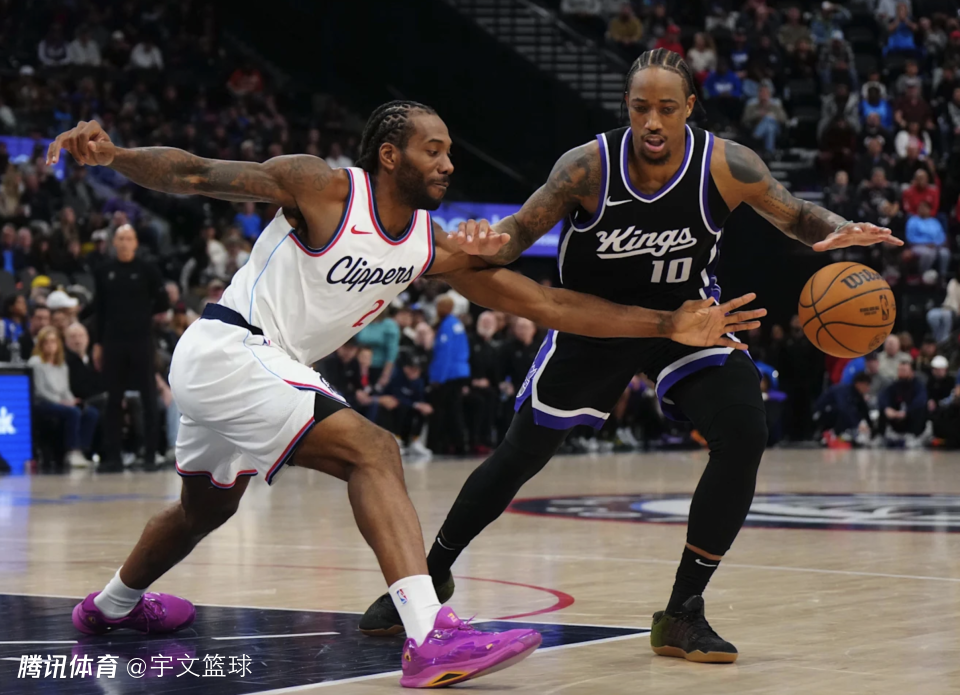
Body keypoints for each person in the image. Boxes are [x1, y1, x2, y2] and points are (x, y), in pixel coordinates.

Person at [47, 105, 761, 688]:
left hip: (253, 367)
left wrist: (666, 324)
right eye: (434, 150)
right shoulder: (323, 188)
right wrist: (115, 155)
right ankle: (429, 634)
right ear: (390, 155)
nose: (448, 163)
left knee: (205, 508)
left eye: (450, 152)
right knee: (374, 449)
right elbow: (198, 173)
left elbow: (545, 303)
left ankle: (110, 607)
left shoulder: (427, 244)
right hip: (230, 348)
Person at [357, 49, 901, 663]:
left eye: (667, 108)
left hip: (688, 320)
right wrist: (490, 239)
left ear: (689, 107)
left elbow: (797, 215)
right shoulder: (587, 167)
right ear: (627, 107)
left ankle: (682, 611)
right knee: (521, 453)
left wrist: (837, 227)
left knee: (745, 428)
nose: (652, 121)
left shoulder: (727, 165)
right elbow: (520, 232)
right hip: (595, 321)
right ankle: (433, 572)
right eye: (641, 107)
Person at [94, 225, 169, 471]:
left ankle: (150, 455)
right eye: (121, 238)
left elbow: (163, 301)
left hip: (141, 340)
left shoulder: (147, 269)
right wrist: (97, 343)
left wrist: (142, 314)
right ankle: (113, 456)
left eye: (129, 238)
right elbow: (99, 308)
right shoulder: (104, 271)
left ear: (136, 243)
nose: (125, 242)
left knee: (149, 396)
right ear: (114, 242)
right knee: (113, 398)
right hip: (113, 341)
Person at [29, 326, 99, 467]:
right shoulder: (36, 363)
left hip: (61, 402)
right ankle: (71, 451)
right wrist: (61, 402)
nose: (50, 345)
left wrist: (72, 401)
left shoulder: (62, 364)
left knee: (90, 412)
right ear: (40, 345)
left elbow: (65, 389)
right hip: (43, 403)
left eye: (53, 342)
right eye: (46, 342)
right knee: (72, 412)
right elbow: (39, 391)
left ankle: (81, 451)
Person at [879, 359, 927, 441]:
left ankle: (914, 436)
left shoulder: (918, 386)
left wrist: (906, 412)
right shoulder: (895, 385)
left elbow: (920, 400)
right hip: (896, 416)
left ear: (912, 372)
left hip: (909, 416)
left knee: (920, 409)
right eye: (899, 370)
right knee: (883, 409)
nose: (901, 373)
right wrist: (887, 408)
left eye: (904, 370)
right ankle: (881, 436)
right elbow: (883, 396)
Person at [905, 201, 949, 279]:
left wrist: (936, 244)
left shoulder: (934, 222)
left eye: (925, 208)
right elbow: (910, 237)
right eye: (920, 207)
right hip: (918, 246)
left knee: (945, 253)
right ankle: (923, 276)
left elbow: (942, 236)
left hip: (936, 246)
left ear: (929, 210)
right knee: (929, 254)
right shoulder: (913, 221)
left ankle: (943, 277)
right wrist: (926, 243)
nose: (922, 209)